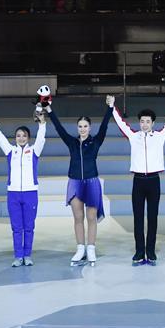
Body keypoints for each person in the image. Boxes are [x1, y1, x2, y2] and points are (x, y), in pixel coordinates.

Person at [111, 96, 165, 266]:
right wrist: (112, 107)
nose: (144, 124)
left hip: (153, 181)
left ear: (153, 123)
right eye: (142, 121)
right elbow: (120, 123)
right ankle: (139, 252)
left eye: (147, 122)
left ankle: (150, 252)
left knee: (152, 218)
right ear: (139, 123)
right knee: (138, 218)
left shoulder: (160, 136)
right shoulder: (133, 136)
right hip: (138, 181)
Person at [46, 96, 113, 267]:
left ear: (90, 128)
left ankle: (91, 248)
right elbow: (59, 128)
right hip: (75, 182)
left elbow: (105, 126)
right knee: (78, 217)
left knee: (91, 217)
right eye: (80, 126)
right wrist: (49, 110)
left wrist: (110, 108)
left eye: (85, 126)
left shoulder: (96, 141)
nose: (82, 129)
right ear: (77, 128)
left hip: (91, 182)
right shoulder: (72, 142)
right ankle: (80, 248)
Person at [0, 107, 46, 267]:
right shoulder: (10, 151)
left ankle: (27, 255)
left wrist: (42, 123)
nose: (21, 138)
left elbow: (41, 138)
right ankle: (18, 256)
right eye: (18, 135)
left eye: (24, 135)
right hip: (13, 194)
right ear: (15, 138)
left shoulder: (34, 151)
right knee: (17, 227)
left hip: (30, 193)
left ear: (28, 138)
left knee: (29, 227)